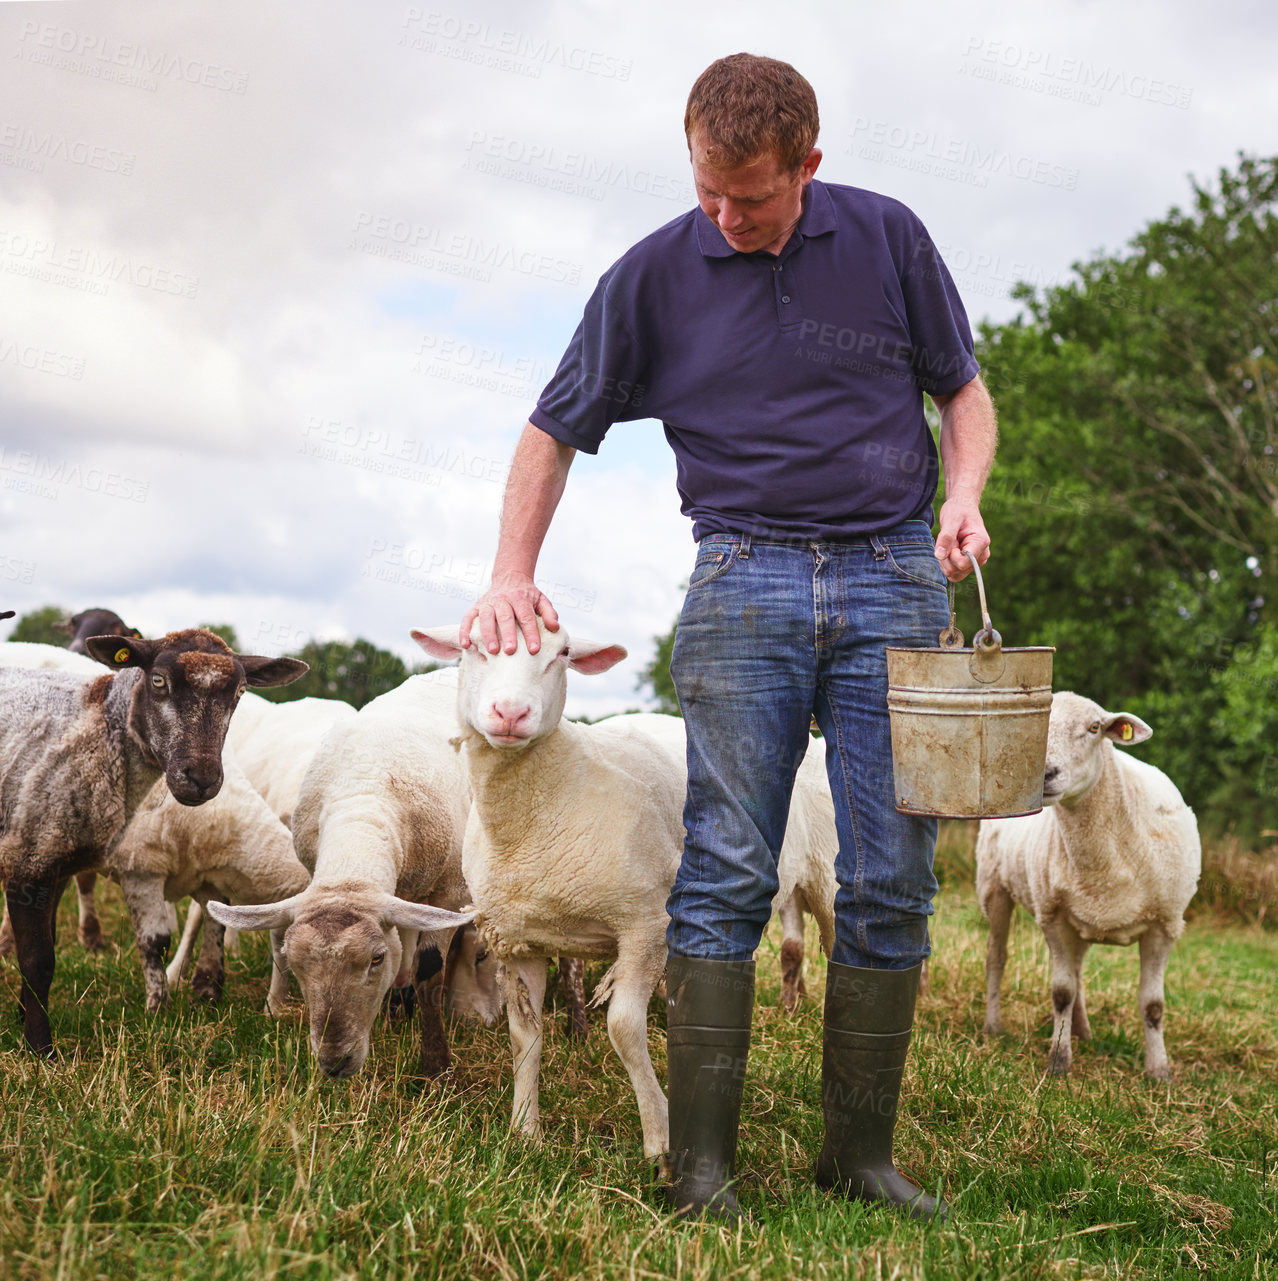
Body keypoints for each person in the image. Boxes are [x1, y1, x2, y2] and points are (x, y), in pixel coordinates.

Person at [460, 52, 995, 1222]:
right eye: (707, 189)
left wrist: (962, 496)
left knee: (893, 878)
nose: (723, 215)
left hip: (894, 577)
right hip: (742, 578)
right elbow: (554, 427)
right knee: (728, 870)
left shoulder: (890, 239)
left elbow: (962, 390)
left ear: (808, 165)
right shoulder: (653, 273)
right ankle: (701, 1172)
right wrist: (512, 572)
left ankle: (858, 1157)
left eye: (749, 196)